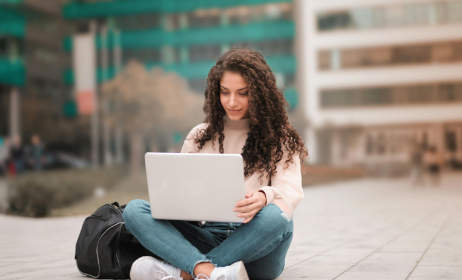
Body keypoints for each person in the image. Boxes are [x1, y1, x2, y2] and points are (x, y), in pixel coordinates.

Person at [123, 47, 308, 280]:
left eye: (243, 93)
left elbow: (290, 193)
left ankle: (187, 272)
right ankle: (213, 274)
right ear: (215, 92)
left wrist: (264, 196)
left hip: (256, 246)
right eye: (225, 92)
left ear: (260, 93)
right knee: (134, 210)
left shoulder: (280, 138)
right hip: (207, 236)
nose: (232, 102)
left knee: (279, 216)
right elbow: (177, 195)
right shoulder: (199, 136)